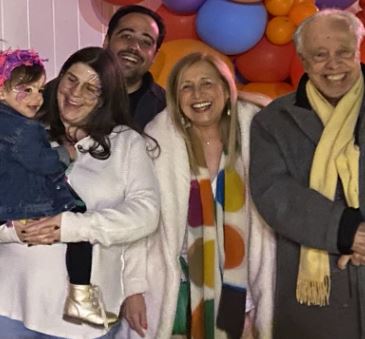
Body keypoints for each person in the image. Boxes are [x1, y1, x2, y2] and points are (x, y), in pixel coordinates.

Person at [0, 46, 160, 339]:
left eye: (91, 88)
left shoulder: (126, 143)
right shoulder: (21, 129)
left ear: (106, 97)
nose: (75, 93)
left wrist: (73, 227)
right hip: (8, 305)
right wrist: (13, 230)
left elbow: (146, 214)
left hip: (81, 326)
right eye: (71, 79)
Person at [118, 52, 275, 339]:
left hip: (246, 286)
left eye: (207, 83)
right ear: (175, 98)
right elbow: (140, 222)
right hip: (176, 287)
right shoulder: (157, 142)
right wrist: (133, 289)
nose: (197, 94)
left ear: (227, 90)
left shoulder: (257, 133)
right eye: (186, 87)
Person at [250, 9, 365, 339]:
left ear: (358, 50)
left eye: (344, 52)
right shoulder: (273, 122)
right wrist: (347, 232)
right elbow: (274, 193)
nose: (333, 65)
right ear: (302, 59)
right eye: (320, 55)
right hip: (318, 302)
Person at [103, 4, 166, 129]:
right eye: (126, 36)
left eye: (146, 42)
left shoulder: (166, 108)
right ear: (106, 41)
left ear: (154, 56)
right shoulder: (69, 93)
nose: (134, 47)